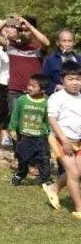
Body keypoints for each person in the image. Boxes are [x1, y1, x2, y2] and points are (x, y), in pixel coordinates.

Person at [0, 14, 50, 131]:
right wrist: (8, 20)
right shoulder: (11, 45)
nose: (23, 33)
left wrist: (29, 26)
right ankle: (18, 148)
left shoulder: (38, 47)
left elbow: (47, 43)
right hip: (15, 91)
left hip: (34, 92)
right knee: (16, 122)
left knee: (34, 123)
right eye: (21, 30)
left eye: (26, 30)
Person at [8, 74, 56, 197]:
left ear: (43, 90)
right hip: (25, 136)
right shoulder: (22, 100)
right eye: (29, 85)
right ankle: (20, 174)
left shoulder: (47, 102)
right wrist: (12, 128)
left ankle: (45, 179)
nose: (29, 87)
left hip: (41, 137)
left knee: (44, 158)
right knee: (23, 158)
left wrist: (49, 133)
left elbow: (48, 119)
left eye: (33, 86)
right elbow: (15, 115)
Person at [47, 61, 81, 219]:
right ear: (62, 80)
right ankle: (79, 208)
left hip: (77, 141)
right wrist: (65, 141)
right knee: (73, 172)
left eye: (78, 79)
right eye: (71, 79)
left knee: (77, 172)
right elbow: (52, 120)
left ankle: (54, 187)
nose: (75, 83)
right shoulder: (56, 97)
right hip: (60, 139)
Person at [42, 29, 77, 95]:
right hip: (58, 98)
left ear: (74, 43)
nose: (67, 44)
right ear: (58, 43)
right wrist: (57, 87)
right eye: (64, 41)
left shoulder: (79, 59)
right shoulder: (50, 60)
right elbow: (43, 80)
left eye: (70, 41)